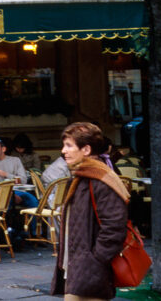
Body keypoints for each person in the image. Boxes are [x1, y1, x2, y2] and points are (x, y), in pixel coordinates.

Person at [50, 122, 130, 300]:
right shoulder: (82, 176)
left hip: (91, 270)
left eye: (69, 145)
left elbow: (114, 228)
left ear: (86, 150)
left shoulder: (101, 179)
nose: (63, 150)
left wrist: (95, 261)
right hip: (79, 268)